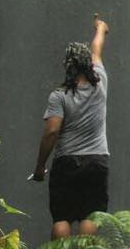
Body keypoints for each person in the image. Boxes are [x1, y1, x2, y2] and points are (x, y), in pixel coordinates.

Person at [31, 14, 111, 239]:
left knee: (61, 218)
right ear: (89, 64)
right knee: (91, 217)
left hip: (67, 162)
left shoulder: (59, 96)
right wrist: (100, 28)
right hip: (96, 160)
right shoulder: (101, 84)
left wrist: (40, 167)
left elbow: (52, 132)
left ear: (68, 66)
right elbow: (96, 50)